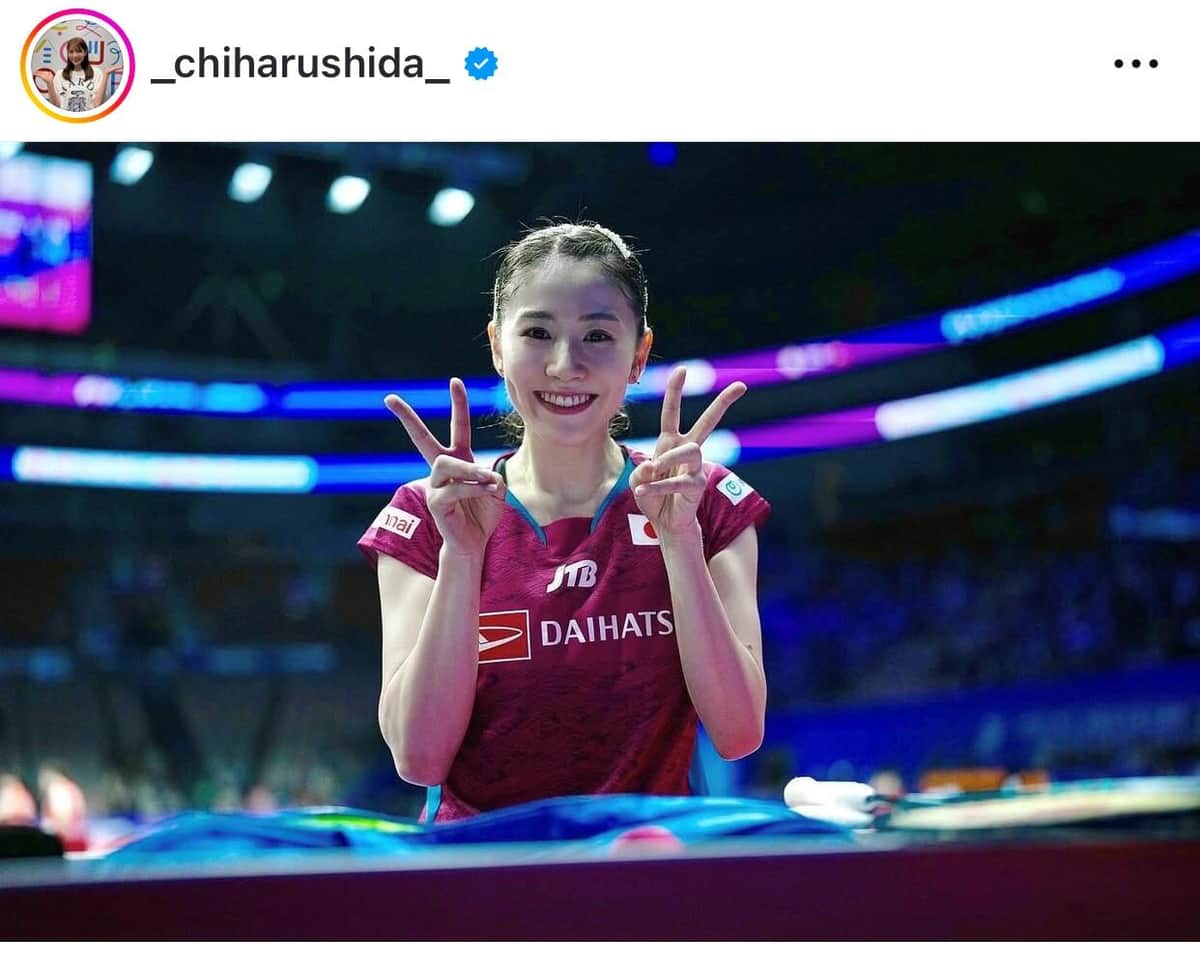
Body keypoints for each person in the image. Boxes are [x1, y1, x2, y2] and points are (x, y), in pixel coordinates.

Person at [358, 222, 771, 822]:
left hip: (648, 863)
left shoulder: (703, 502)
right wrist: (462, 556)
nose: (564, 365)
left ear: (639, 355)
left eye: (597, 335)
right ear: (497, 346)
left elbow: (738, 733)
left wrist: (680, 540)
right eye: (537, 333)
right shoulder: (428, 514)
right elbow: (419, 759)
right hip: (481, 868)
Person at [47, 37, 106, 113]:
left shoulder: (97, 73)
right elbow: (56, 105)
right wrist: (49, 84)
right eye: (71, 52)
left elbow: (97, 104)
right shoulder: (59, 75)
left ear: (85, 52)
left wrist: (106, 74)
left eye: (78, 51)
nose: (75, 55)